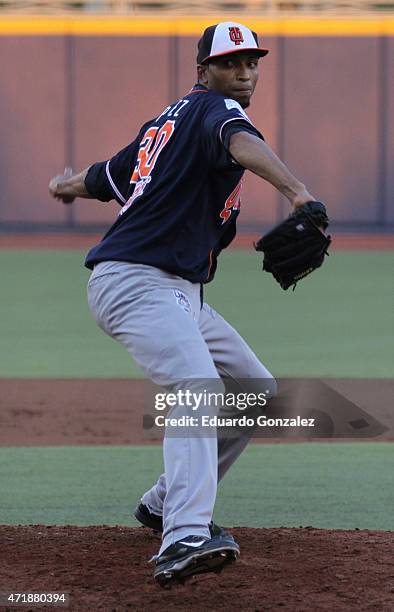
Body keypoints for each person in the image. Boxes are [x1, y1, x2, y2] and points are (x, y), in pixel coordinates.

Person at [49, 21, 316, 587]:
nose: (244, 72)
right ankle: (185, 536)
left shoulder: (163, 126)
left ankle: (163, 502)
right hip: (137, 282)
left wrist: (66, 185)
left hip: (178, 292)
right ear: (203, 71)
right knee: (198, 387)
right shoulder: (212, 113)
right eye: (230, 62)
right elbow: (241, 143)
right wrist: (299, 193)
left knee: (256, 390)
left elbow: (106, 178)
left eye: (252, 62)